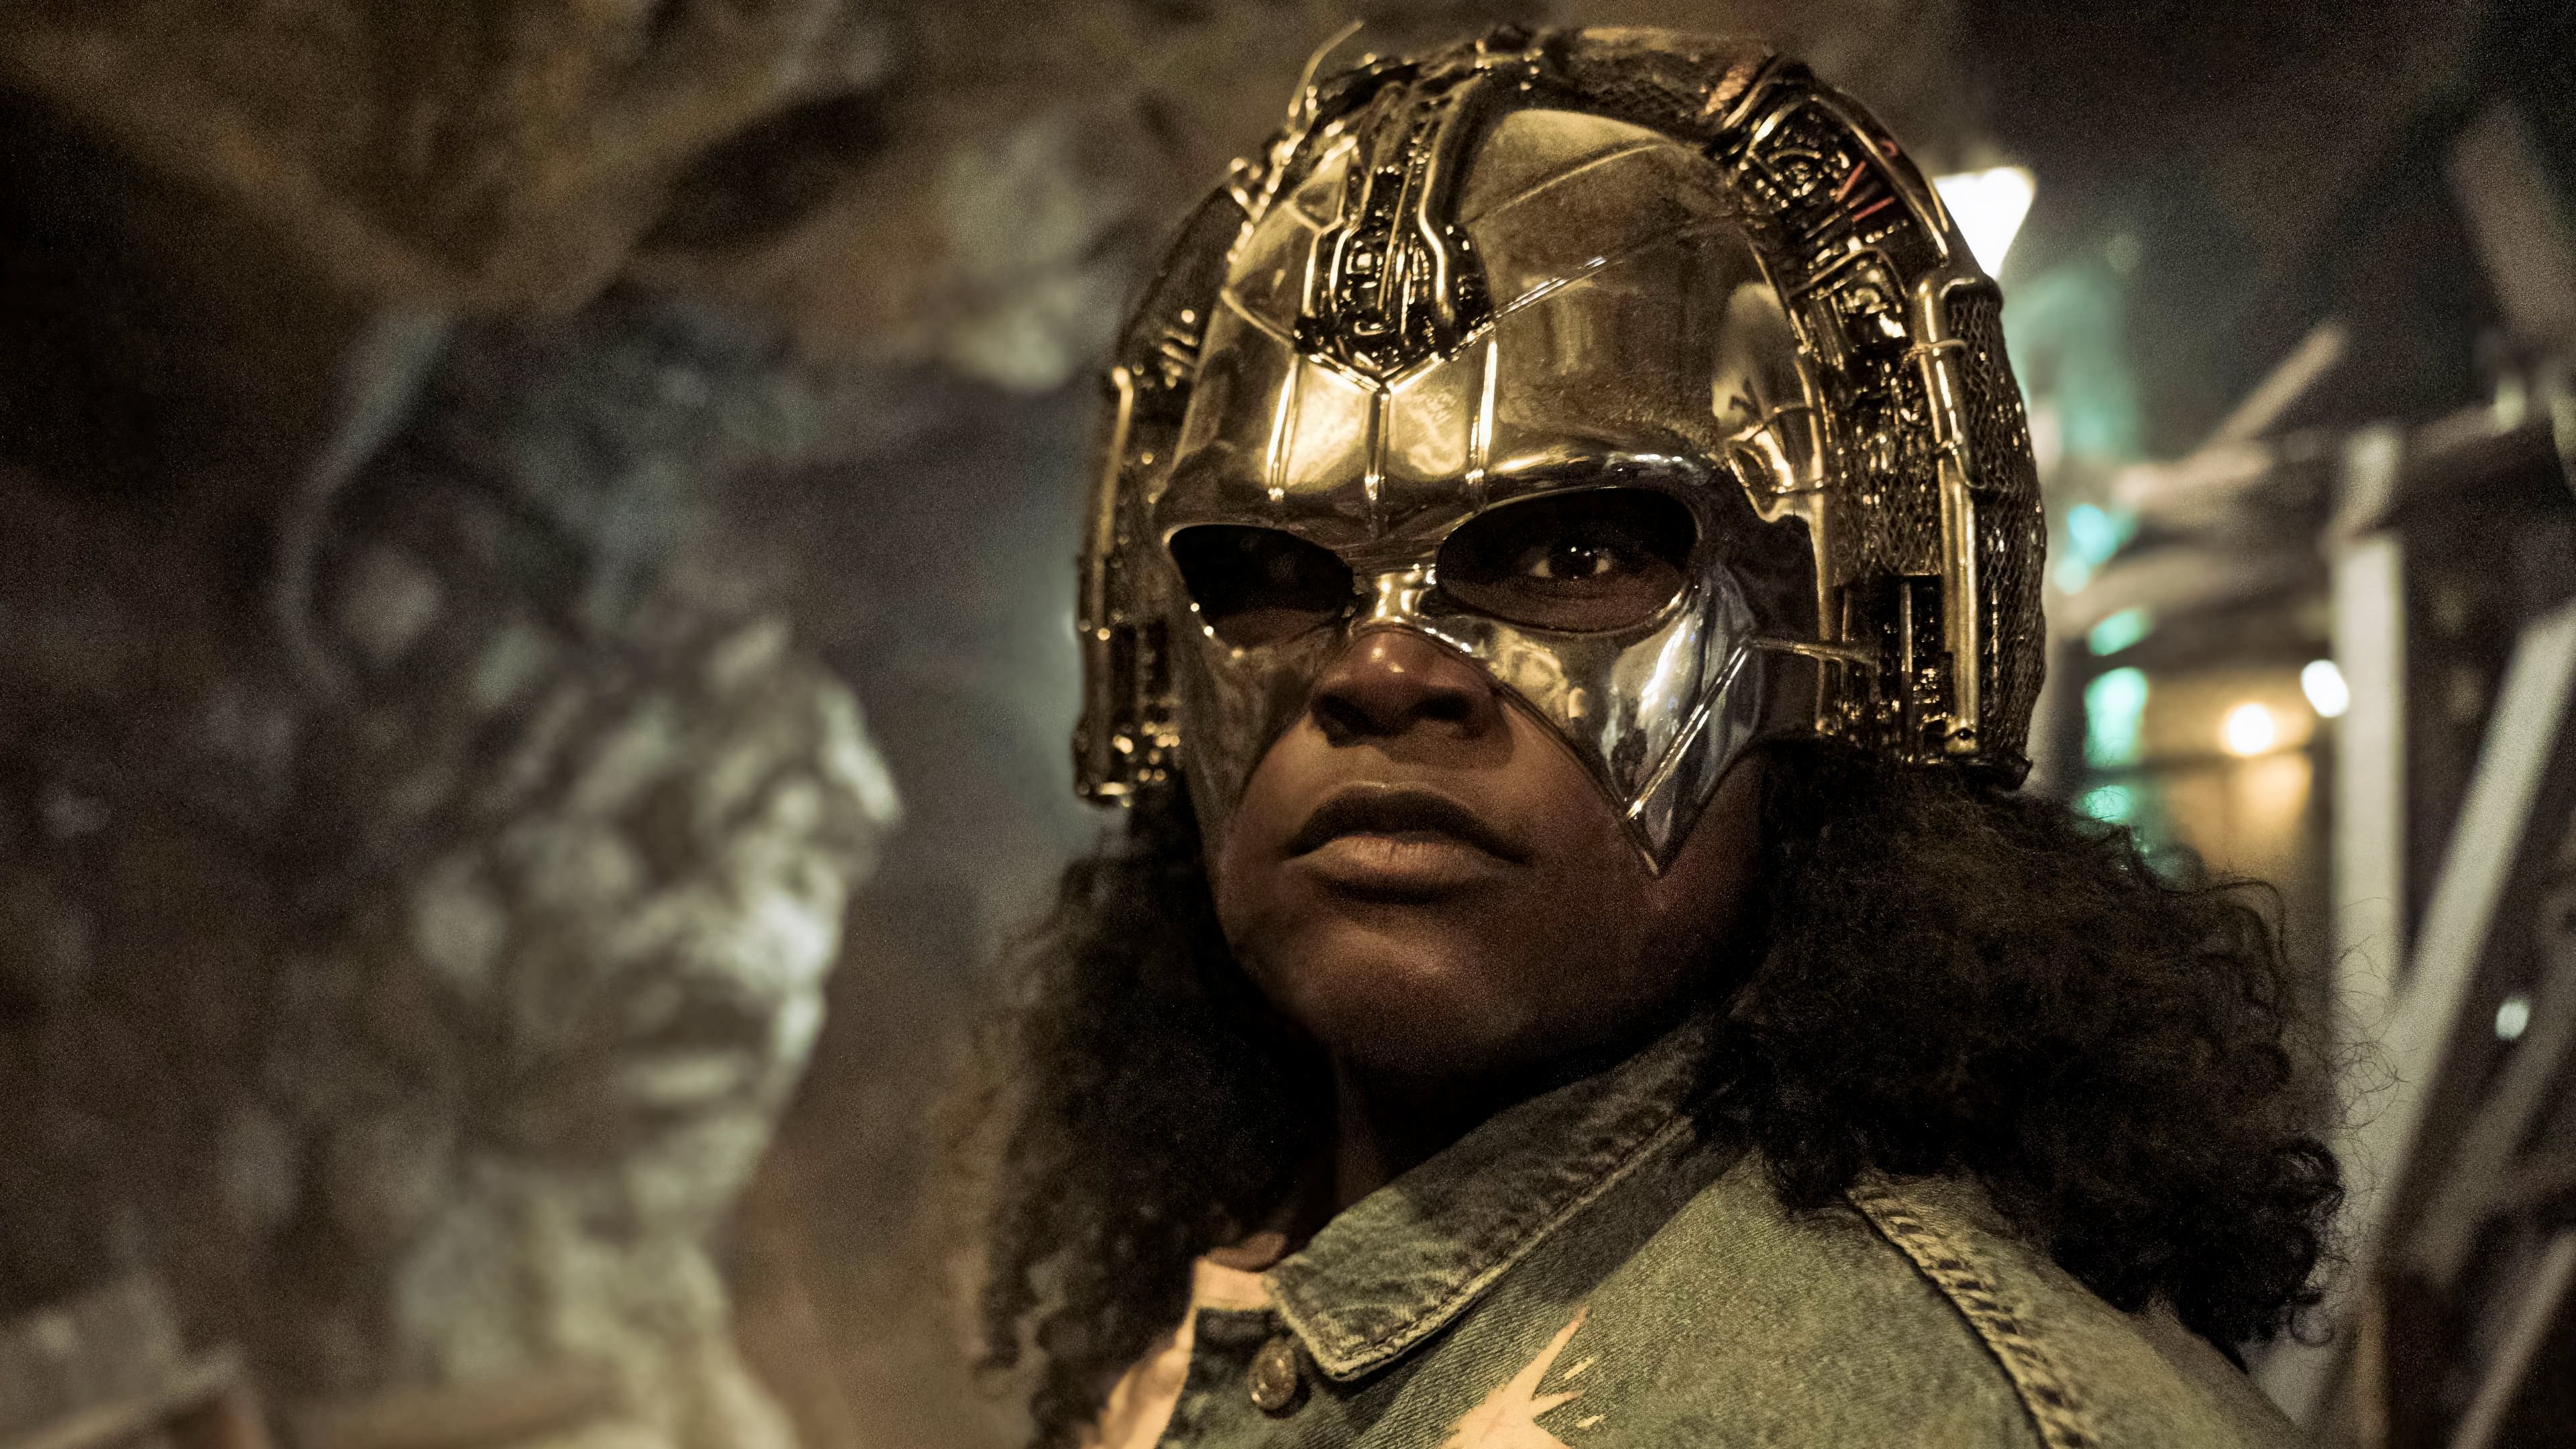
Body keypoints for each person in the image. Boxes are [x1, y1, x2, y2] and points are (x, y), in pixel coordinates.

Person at [976, 25, 2339, 1448]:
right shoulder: (1204, 1329)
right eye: (1269, 569)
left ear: (1841, 643)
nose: (1378, 670)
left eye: (1569, 553)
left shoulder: (1989, 1420)